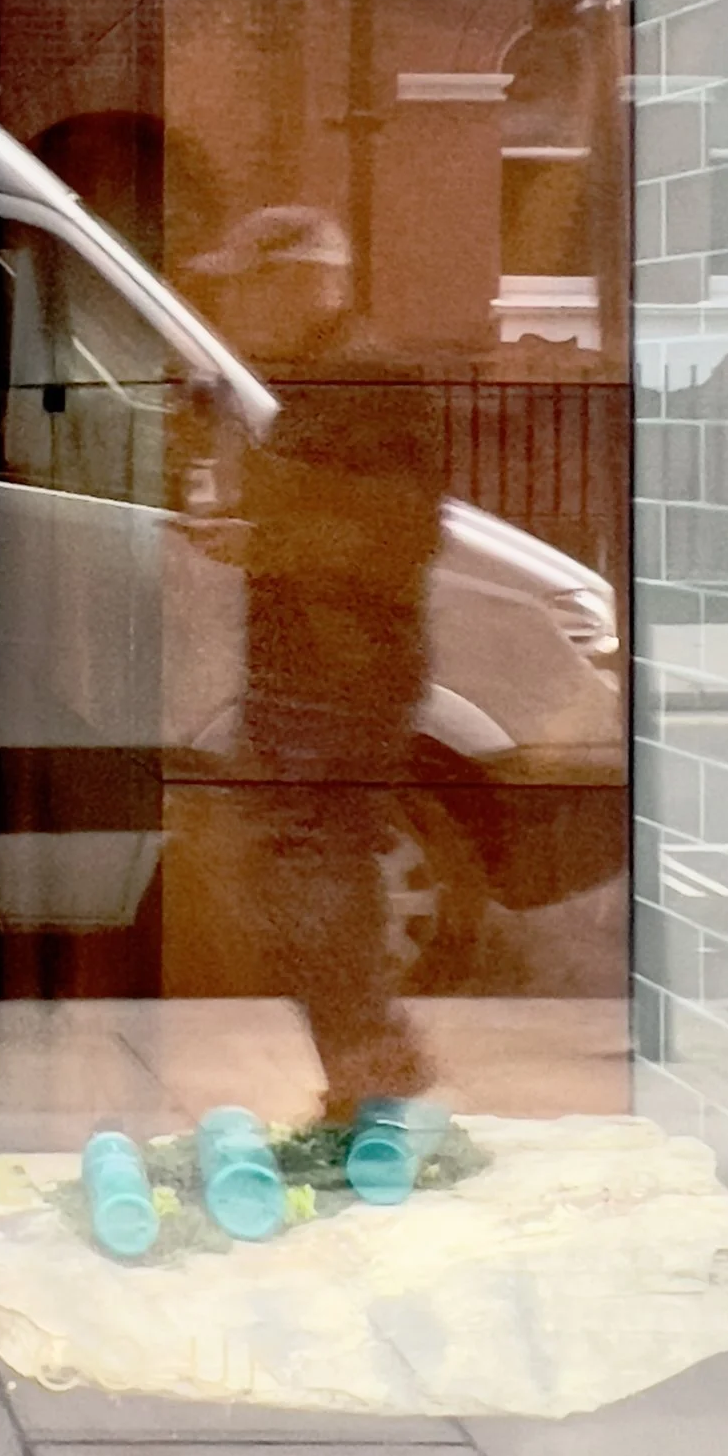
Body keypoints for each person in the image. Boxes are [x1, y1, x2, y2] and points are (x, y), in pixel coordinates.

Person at [183, 205, 446, 1122]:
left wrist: (268, 542)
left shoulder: (370, 379)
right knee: (304, 885)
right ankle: (367, 1078)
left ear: (301, 280)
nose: (237, 304)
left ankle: (377, 1080)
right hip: (313, 678)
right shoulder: (324, 380)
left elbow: (402, 532)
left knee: (320, 887)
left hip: (343, 683)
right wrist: (257, 534)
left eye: (248, 284)